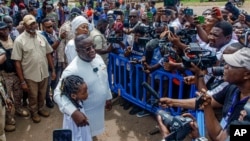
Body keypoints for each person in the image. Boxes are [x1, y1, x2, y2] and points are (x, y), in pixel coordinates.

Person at [158, 47, 250, 141]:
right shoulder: (233, 88)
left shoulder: (248, 113)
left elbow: (220, 138)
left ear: (247, 74)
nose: (225, 67)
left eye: (232, 65)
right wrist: (172, 102)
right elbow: (219, 135)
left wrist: (167, 137)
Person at [54, 35, 112, 139]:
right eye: (88, 48)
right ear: (77, 50)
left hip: (98, 110)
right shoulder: (72, 70)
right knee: (85, 135)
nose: (93, 50)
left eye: (93, 46)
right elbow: (58, 93)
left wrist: (108, 97)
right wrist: (73, 112)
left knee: (93, 133)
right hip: (85, 114)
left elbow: (104, 79)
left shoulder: (98, 58)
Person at [11, 15, 55, 123]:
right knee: (33, 96)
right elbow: (17, 62)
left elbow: (48, 53)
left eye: (34, 23)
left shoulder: (41, 37)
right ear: (25, 25)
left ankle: (41, 108)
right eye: (30, 24)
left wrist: (53, 70)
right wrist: (22, 81)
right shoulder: (19, 40)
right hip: (30, 75)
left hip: (44, 72)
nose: (33, 25)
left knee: (43, 93)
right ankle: (34, 112)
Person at [61, 75, 92, 141]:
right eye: (84, 93)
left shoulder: (78, 102)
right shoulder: (72, 114)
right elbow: (76, 135)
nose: (87, 94)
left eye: (86, 91)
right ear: (73, 95)